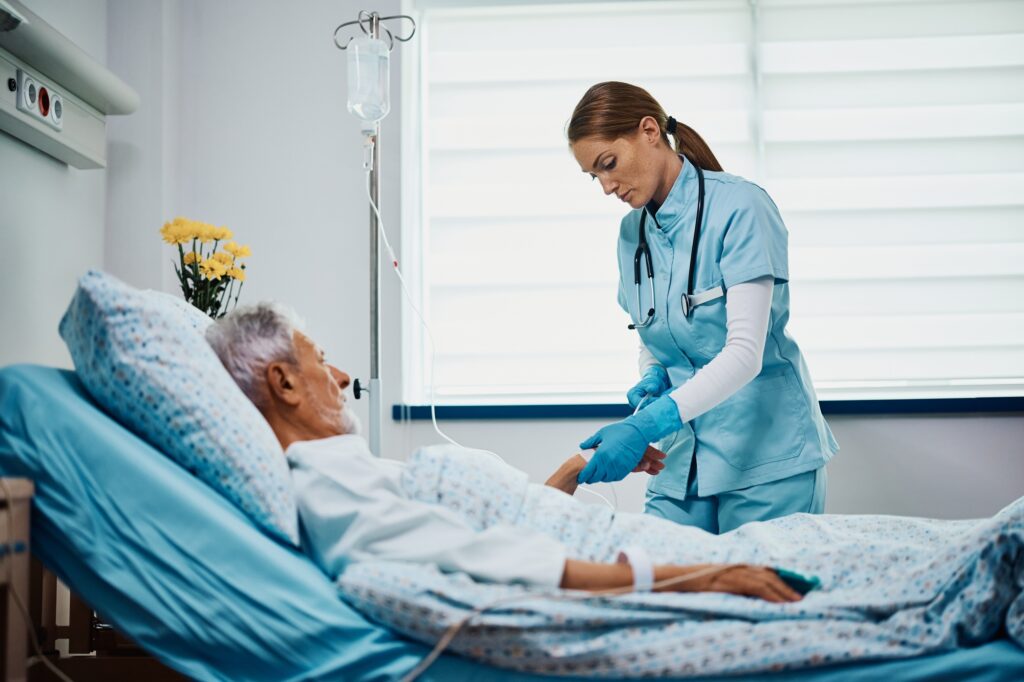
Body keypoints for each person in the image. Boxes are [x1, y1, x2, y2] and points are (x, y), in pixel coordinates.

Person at [205, 302, 803, 603]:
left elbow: (499, 527)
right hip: (629, 560)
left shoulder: (348, 471)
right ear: (284, 384)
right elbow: (496, 558)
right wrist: (703, 577)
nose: (339, 375)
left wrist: (575, 469)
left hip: (598, 533)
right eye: (319, 359)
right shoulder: (329, 490)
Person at [567, 81, 838, 534]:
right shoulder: (631, 236)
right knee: (659, 590)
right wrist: (652, 376)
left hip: (766, 462)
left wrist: (648, 423)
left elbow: (744, 354)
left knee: (756, 601)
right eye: (594, 175)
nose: (606, 187)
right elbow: (652, 334)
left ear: (649, 131)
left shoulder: (741, 208)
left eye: (608, 165)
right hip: (681, 466)